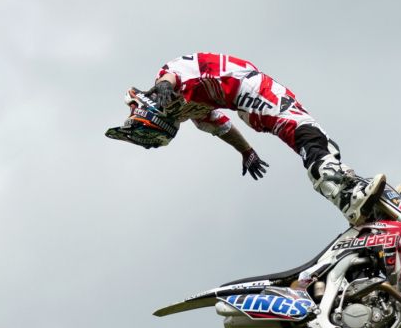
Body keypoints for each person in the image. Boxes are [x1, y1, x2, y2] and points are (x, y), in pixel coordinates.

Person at [105, 52, 386, 224]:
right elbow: (223, 128)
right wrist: (246, 151)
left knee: (301, 131)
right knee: (304, 131)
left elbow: (172, 75)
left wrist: (163, 86)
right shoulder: (192, 114)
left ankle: (343, 190)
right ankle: (342, 190)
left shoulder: (165, 84)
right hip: (247, 95)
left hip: (245, 87)